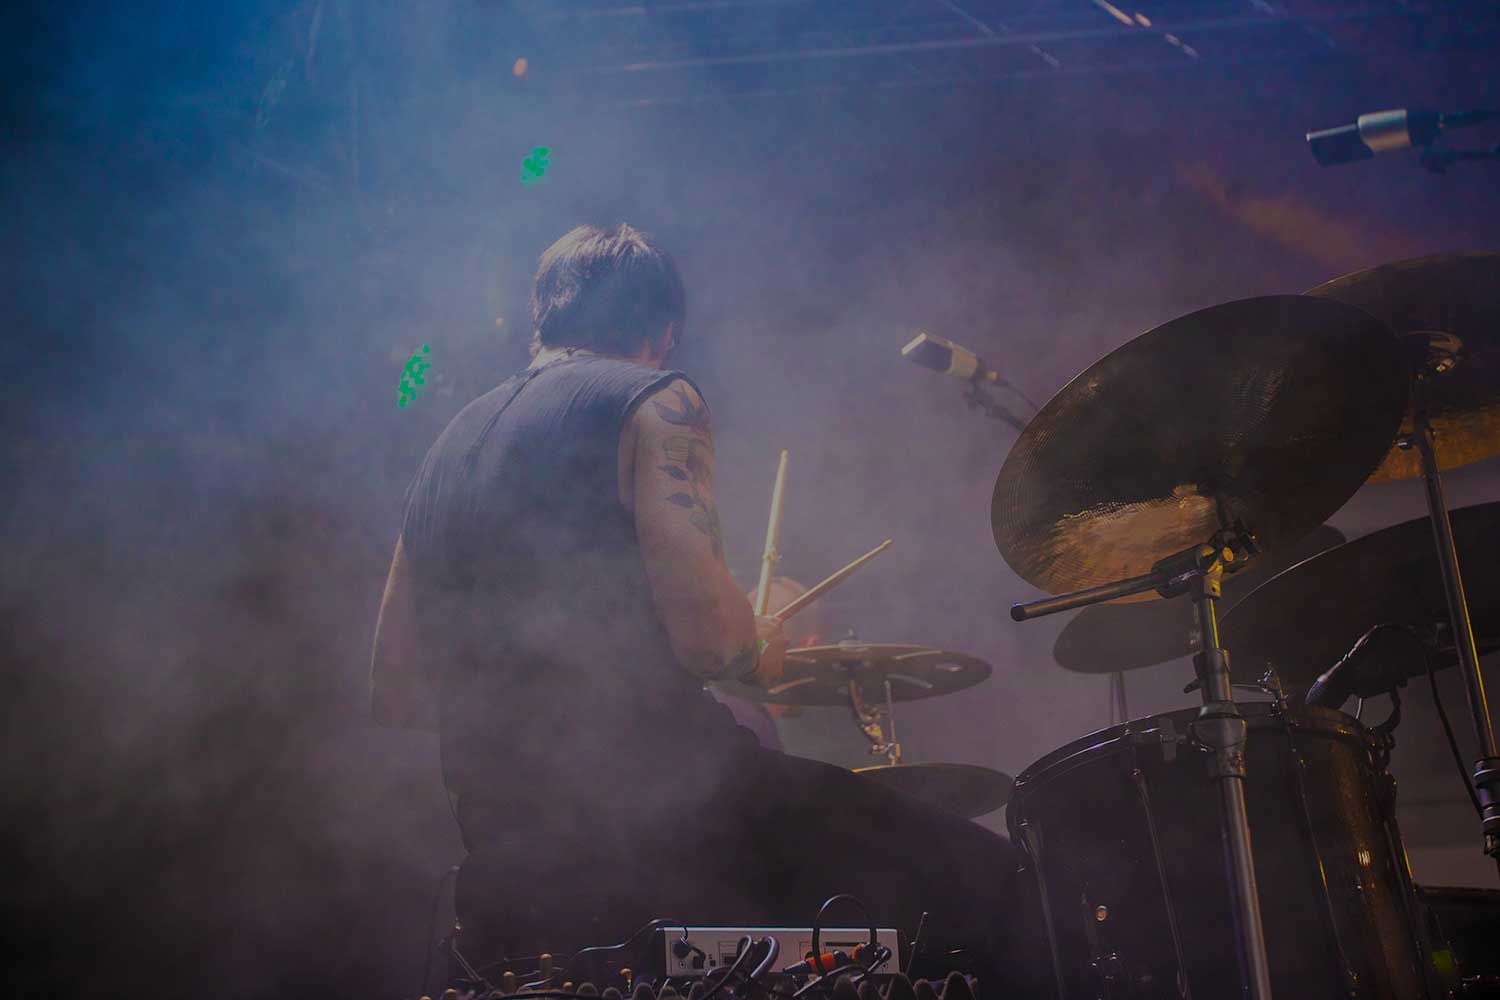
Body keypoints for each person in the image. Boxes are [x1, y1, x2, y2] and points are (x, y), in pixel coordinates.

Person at [370, 224, 1048, 994]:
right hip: (673, 819)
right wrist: (758, 642)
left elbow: (394, 689)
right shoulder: (659, 398)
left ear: (544, 320)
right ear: (661, 331)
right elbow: (712, 645)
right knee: (999, 887)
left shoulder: (444, 450)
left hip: (508, 856)